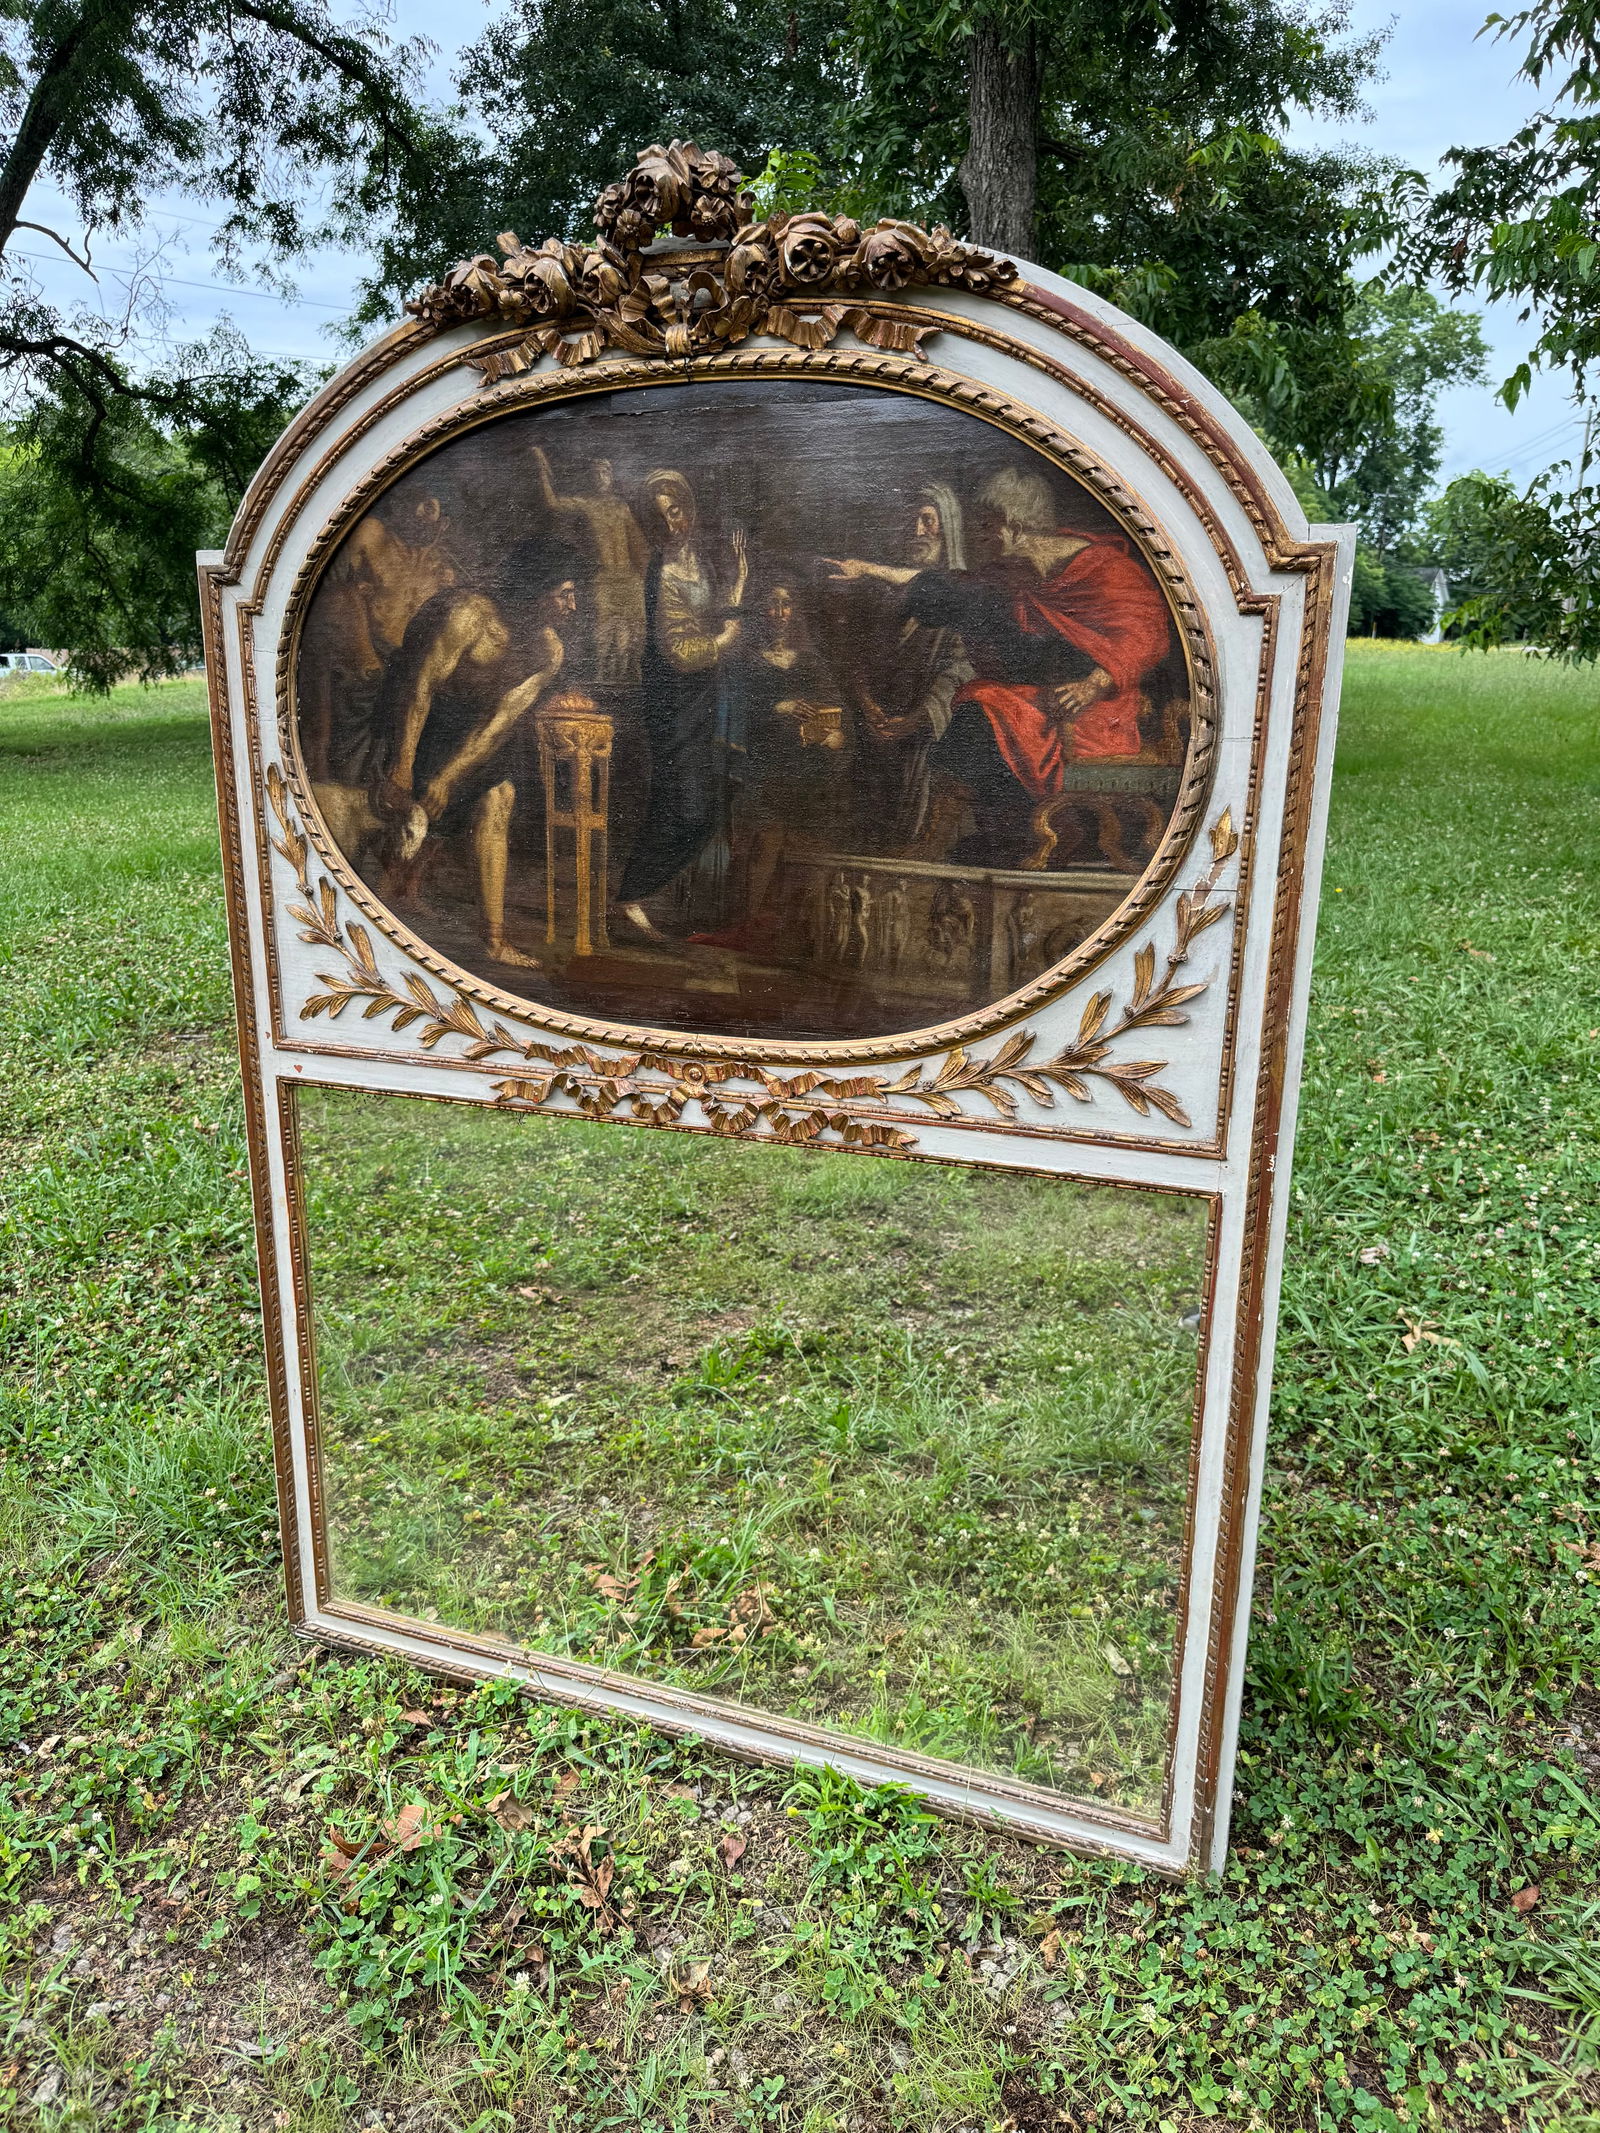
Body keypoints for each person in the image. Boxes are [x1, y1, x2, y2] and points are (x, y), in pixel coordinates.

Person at [828, 466, 1172, 865]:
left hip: (1093, 709)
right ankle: (1008, 832)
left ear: (1013, 525)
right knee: (979, 704)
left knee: (982, 709)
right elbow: (945, 587)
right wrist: (868, 570)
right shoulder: (1012, 573)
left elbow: (1146, 636)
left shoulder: (1105, 570)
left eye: (986, 526)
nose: (979, 537)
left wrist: (1091, 686)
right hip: (1040, 703)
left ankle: (1047, 834)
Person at [369, 542, 581, 969]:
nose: (573, 606)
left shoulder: (549, 652)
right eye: (564, 594)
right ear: (536, 592)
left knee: (497, 800)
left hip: (473, 735)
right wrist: (405, 763)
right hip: (418, 719)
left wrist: (447, 779)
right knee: (405, 819)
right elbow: (420, 686)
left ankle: (493, 939)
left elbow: (498, 723)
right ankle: (385, 909)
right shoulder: (469, 616)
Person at [614, 468, 748, 940]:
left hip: (703, 696)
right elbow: (679, 650)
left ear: (688, 508)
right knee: (685, 809)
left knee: (699, 807)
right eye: (659, 519)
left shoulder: (699, 561)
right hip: (674, 700)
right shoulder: (664, 572)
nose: (672, 525)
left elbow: (707, 618)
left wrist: (737, 583)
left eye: (676, 512)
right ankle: (630, 898)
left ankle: (638, 899)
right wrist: (726, 639)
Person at [693, 579, 846, 951]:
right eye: (771, 605)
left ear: (796, 612)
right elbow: (729, 712)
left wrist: (833, 737)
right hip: (759, 767)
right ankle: (745, 923)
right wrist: (779, 707)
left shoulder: (812, 662)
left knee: (809, 836)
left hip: (809, 769)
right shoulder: (745, 662)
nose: (778, 613)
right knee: (761, 837)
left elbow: (838, 720)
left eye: (786, 604)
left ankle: (788, 929)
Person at [842, 482, 973, 850]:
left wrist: (916, 719)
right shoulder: (887, 599)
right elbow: (859, 661)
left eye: (928, 520)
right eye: (912, 521)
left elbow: (963, 672)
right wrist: (867, 704)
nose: (918, 531)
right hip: (878, 738)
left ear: (947, 528)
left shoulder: (961, 594)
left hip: (931, 744)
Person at [301, 492, 457, 783]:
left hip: (406, 666)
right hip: (359, 653)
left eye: (431, 506)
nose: (422, 512)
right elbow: (325, 594)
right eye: (417, 501)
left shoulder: (441, 571)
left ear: (443, 525)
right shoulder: (371, 535)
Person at [528, 447, 648, 683]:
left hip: (629, 578)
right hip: (603, 578)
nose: (600, 477)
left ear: (611, 477)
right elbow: (552, 504)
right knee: (603, 634)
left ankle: (632, 683)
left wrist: (641, 576)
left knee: (633, 635)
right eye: (595, 473)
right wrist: (542, 470)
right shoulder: (585, 503)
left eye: (604, 472)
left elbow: (638, 545)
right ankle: (601, 681)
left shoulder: (621, 506)